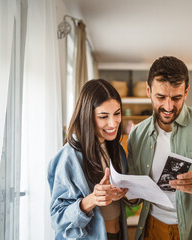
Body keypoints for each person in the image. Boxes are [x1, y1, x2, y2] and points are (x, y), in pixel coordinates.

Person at [127, 56, 192, 240]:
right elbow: (134, 196)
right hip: (153, 228)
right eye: (160, 97)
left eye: (176, 98)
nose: (168, 106)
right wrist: (126, 192)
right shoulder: (137, 134)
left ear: (186, 92)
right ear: (148, 90)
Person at [48, 79, 129, 240]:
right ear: (87, 116)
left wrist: (123, 193)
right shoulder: (69, 156)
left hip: (117, 233)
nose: (113, 123)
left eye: (117, 113)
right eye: (103, 116)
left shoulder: (117, 150)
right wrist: (93, 199)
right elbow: (58, 219)